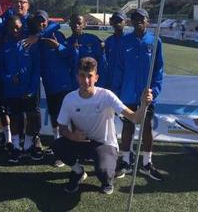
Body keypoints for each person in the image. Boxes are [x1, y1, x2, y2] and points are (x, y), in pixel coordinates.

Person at [52, 57, 153, 194]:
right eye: (82, 76)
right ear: (77, 77)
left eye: (90, 76)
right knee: (57, 145)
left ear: (96, 78)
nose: (86, 81)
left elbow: (135, 118)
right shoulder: (70, 98)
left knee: (103, 172)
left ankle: (108, 176)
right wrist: (72, 136)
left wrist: (143, 105)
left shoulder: (106, 96)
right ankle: (78, 171)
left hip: (104, 143)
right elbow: (61, 126)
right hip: (81, 142)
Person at [112, 8, 164, 181]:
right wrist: (117, 93)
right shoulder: (124, 41)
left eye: (142, 18)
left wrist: (154, 92)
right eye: (135, 18)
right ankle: (125, 161)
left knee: (147, 127)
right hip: (127, 93)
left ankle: (147, 163)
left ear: (148, 21)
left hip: (146, 95)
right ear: (131, 22)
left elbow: (159, 70)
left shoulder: (155, 41)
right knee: (128, 127)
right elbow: (118, 68)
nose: (138, 21)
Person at [0, 15, 42, 163]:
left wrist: (32, 87)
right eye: (12, 28)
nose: (15, 30)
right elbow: (0, 68)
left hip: (29, 89)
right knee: (15, 118)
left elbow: (37, 68)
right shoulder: (4, 46)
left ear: (22, 26)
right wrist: (9, 78)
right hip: (12, 91)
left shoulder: (30, 43)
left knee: (32, 118)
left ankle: (28, 146)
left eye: (17, 27)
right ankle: (16, 147)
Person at [33, 10, 74, 167]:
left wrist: (58, 46)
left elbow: (70, 56)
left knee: (65, 118)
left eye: (43, 21)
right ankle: (58, 146)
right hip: (49, 85)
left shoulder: (58, 35)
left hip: (64, 84)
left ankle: (66, 149)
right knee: (54, 117)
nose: (41, 24)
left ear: (48, 21)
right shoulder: (37, 41)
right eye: (38, 22)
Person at [66, 14, 106, 88]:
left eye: (79, 23)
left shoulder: (93, 39)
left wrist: (100, 83)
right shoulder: (66, 42)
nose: (76, 25)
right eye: (74, 23)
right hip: (74, 85)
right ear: (70, 24)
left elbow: (101, 62)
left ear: (84, 25)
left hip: (91, 83)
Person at [104, 11, 127, 90]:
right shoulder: (108, 41)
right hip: (111, 81)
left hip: (126, 82)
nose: (117, 23)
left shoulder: (131, 40)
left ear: (125, 22)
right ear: (112, 22)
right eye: (115, 21)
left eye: (120, 20)